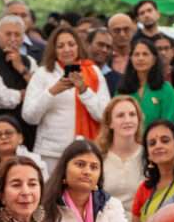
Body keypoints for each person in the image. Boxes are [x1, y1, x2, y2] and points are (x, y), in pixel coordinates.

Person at [23, 27, 110, 172]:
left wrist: (84, 90)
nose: (66, 49)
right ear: (54, 49)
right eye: (60, 46)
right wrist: (52, 92)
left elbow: (104, 115)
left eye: (71, 44)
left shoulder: (93, 71)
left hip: (86, 151)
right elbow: (29, 117)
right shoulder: (42, 74)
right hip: (50, 153)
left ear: (78, 46)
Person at [0, 14, 39, 148]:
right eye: (8, 34)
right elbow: (2, 98)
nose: (13, 39)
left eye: (17, 35)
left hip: (27, 129)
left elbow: (41, 92)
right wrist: (26, 94)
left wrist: (21, 68)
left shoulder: (29, 61)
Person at [130, 120, 174, 222]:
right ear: (148, 154)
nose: (158, 146)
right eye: (152, 143)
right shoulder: (144, 188)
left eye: (165, 140)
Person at [95, 96, 144, 216]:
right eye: (120, 115)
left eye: (132, 114)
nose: (128, 120)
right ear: (110, 123)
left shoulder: (148, 155)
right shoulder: (98, 157)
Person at [115, 37, 174, 129]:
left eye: (145, 54)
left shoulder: (165, 89)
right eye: (136, 54)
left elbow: (170, 123)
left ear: (154, 60)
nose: (140, 58)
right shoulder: (122, 89)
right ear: (131, 59)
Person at [86, 27, 121, 95]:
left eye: (108, 47)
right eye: (100, 45)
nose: (104, 50)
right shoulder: (75, 73)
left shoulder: (119, 80)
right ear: (88, 44)